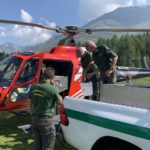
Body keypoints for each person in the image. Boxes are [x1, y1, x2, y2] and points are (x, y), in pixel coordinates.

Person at [28, 67, 63, 150]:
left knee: (37, 145)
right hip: (46, 121)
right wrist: (55, 88)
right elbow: (60, 102)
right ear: (52, 78)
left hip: (35, 120)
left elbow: (29, 102)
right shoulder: (52, 89)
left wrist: (32, 112)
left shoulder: (33, 87)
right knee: (48, 147)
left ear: (43, 76)